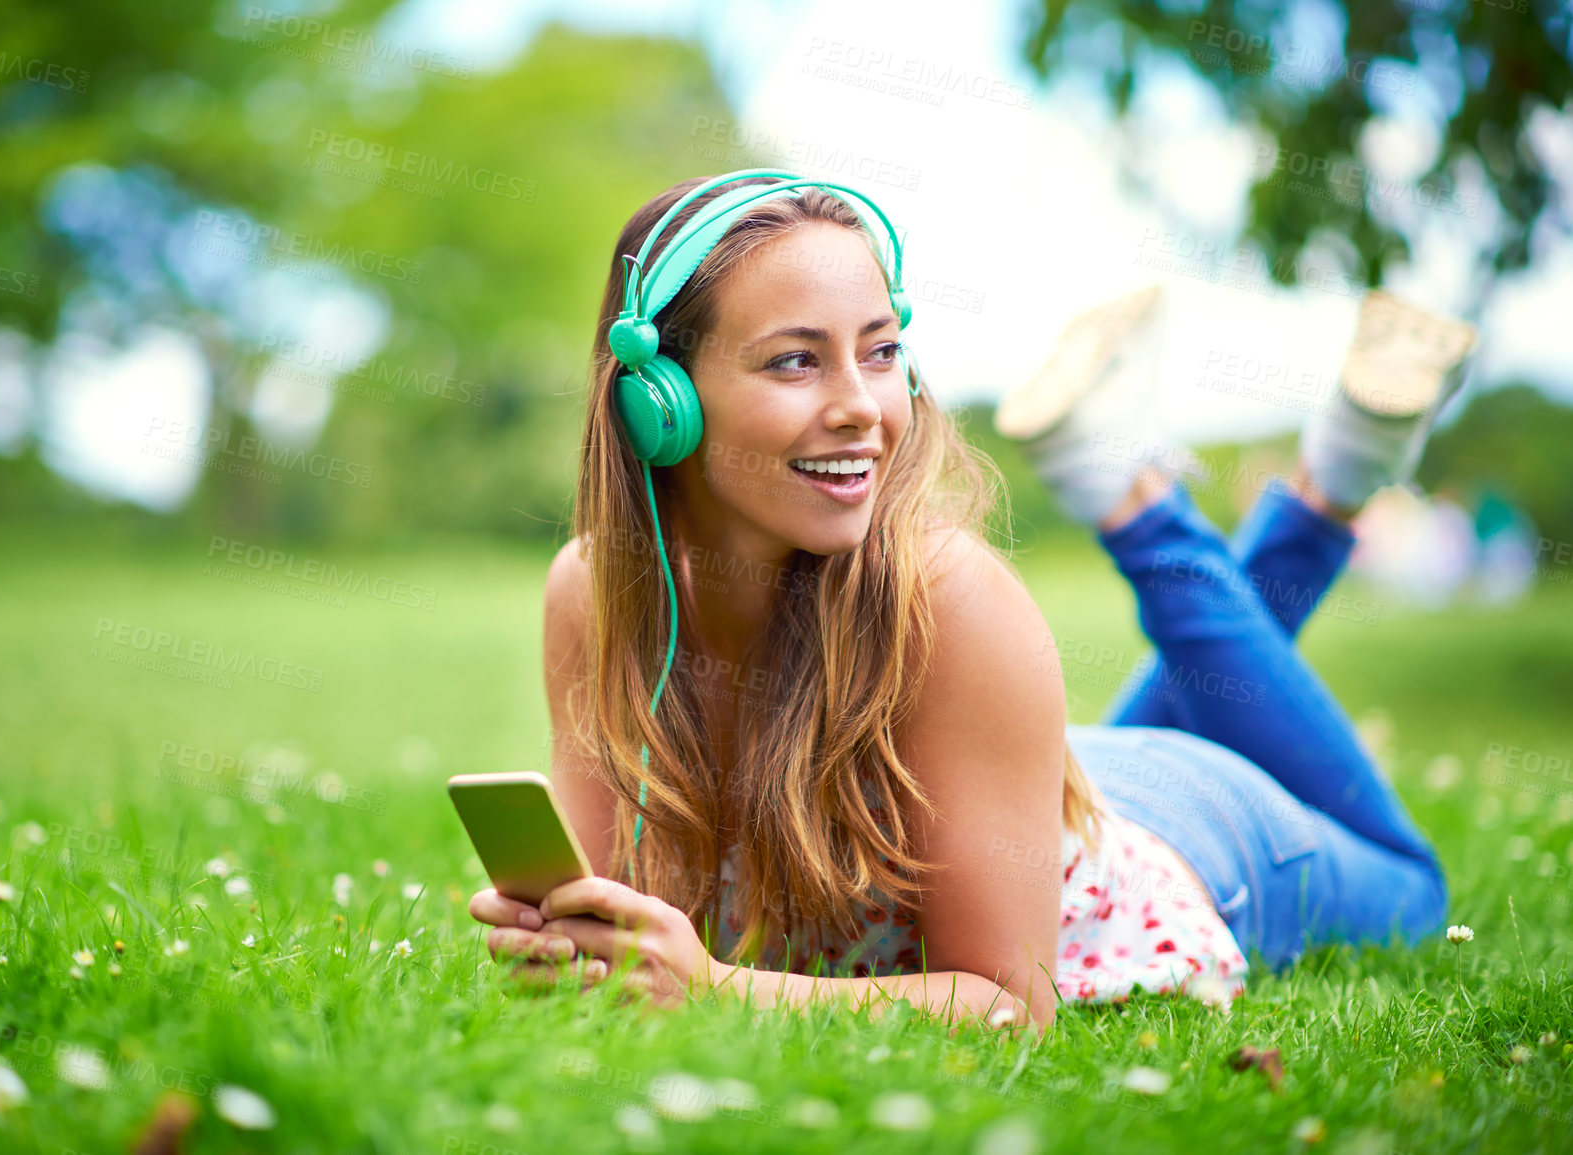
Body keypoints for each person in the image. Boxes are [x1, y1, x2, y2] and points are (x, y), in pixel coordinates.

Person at [467, 170, 1476, 1037]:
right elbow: (612, 911)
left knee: (1414, 887)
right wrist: (579, 945)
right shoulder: (597, 595)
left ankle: (1151, 493)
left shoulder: (950, 600)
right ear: (658, 401)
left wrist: (720, 989)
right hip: (1021, 794)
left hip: (1203, 833)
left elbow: (1008, 1001)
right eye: (793, 359)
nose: (863, 404)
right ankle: (1337, 467)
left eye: (878, 349)